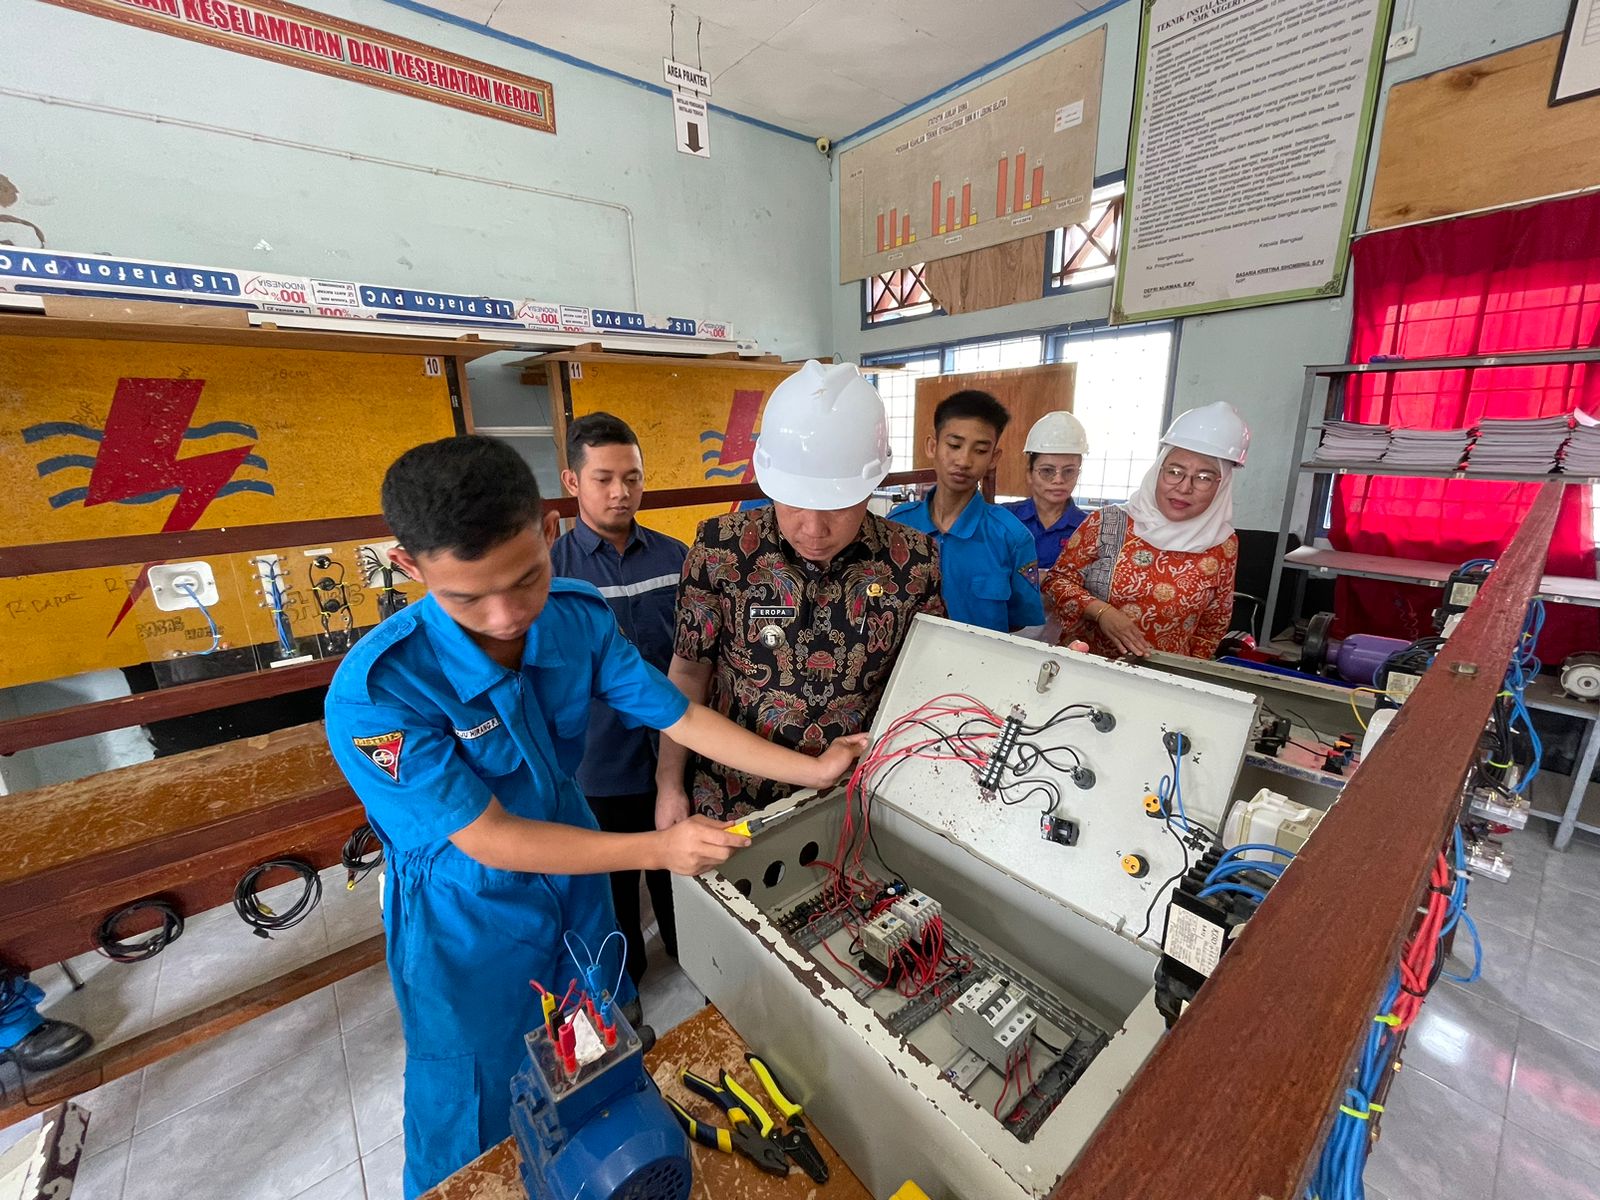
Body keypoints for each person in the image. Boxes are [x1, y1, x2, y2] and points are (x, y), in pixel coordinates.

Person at [323, 436, 866, 1198]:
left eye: (525, 580)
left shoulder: (573, 619)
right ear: (410, 567)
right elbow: (489, 837)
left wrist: (812, 769)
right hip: (467, 918)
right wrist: (657, 847)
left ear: (549, 531)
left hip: (575, 885)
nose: (508, 615)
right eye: (467, 597)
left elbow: (676, 712)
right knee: (473, 1112)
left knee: (596, 1065)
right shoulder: (376, 693)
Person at [656, 360, 944, 823]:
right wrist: (668, 785)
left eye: (837, 506)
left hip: (853, 795)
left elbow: (925, 683)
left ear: (873, 484)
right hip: (731, 797)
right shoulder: (720, 550)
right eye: (794, 504)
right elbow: (689, 675)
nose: (813, 528)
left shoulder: (913, 561)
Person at [549, 412, 686, 997]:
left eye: (632, 478)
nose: (620, 492)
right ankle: (625, 988)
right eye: (604, 478)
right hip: (598, 767)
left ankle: (693, 958)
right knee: (613, 890)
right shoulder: (553, 572)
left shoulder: (677, 557)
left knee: (680, 878)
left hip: (676, 756)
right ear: (573, 481)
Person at [1042, 402, 1247, 660]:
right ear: (1158, 470)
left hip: (1164, 679)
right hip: (1087, 665)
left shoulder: (1223, 543)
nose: (1185, 487)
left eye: (1204, 477)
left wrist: (1189, 680)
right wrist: (1102, 612)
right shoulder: (1108, 521)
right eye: (1175, 472)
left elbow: (1212, 625)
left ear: (1223, 484)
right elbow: (1056, 582)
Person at [889, 389, 1044, 633]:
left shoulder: (1012, 537)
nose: (963, 460)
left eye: (980, 450)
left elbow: (1018, 620)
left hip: (981, 665)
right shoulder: (896, 527)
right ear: (932, 446)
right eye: (954, 445)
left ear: (994, 458)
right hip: (904, 665)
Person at [1003, 411, 1091, 571]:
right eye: (1047, 471)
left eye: (1069, 471)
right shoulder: (1004, 518)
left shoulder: (1088, 528)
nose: (1058, 480)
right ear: (1029, 473)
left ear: (1078, 472)